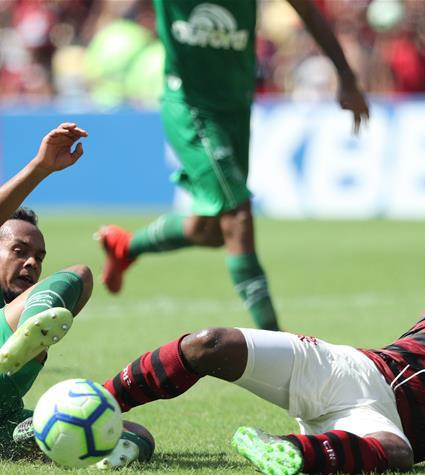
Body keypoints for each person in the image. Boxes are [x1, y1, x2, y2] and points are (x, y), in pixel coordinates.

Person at [78, 186, 425, 475]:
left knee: (396, 454)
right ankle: (98, 404)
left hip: (377, 426)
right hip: (355, 371)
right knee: (209, 345)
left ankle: (288, 452)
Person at [97, 0, 370, 331]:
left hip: (236, 107)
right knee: (238, 218)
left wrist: (346, 76)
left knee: (209, 230)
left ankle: (127, 246)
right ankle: (278, 347)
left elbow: (309, 12)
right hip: (190, 107)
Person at [0, 123, 153, 465]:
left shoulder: (22, 297)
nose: (31, 263)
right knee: (80, 275)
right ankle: (30, 331)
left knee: (136, 434)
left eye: (38, 258)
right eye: (19, 250)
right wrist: (39, 169)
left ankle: (94, 455)